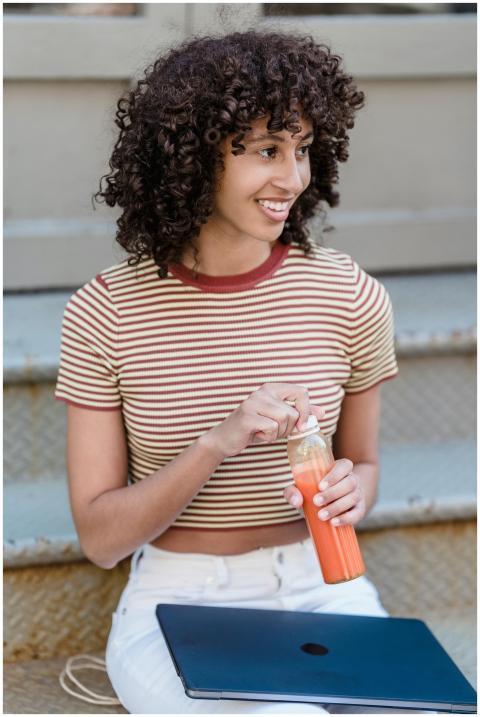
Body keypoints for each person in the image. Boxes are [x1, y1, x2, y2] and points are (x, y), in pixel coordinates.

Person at [54, 29, 420, 714]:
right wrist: (215, 443)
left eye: (304, 149)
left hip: (324, 586)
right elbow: (101, 539)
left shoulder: (349, 295)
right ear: (193, 157)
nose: (294, 178)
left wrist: (351, 491)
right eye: (265, 151)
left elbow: (363, 463)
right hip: (182, 598)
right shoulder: (106, 311)